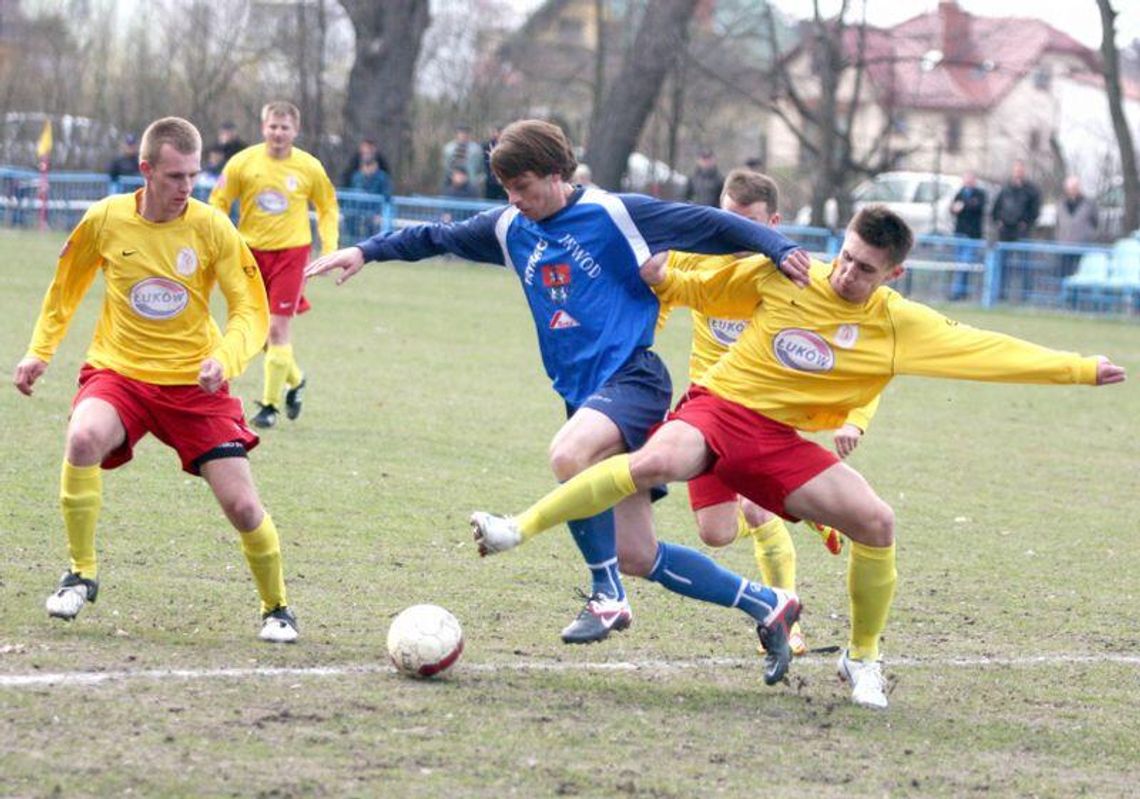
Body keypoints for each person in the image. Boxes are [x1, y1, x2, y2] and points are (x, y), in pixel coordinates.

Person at [469, 205, 1125, 708]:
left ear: (893, 274)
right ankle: (516, 527)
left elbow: (988, 350)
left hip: (780, 443)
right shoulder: (789, 273)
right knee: (654, 463)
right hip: (720, 409)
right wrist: (665, 271)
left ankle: (861, 658)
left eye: (865, 268)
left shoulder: (901, 325)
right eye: (845, 255)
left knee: (877, 522)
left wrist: (1078, 369)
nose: (845, 272)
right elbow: (707, 281)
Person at [307, 119, 812, 651]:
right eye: (506, 190)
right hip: (585, 398)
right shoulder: (510, 227)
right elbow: (434, 236)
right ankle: (769, 603)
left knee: (568, 455)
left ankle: (606, 595)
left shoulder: (615, 214)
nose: (514, 199)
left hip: (632, 379)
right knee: (639, 555)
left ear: (555, 174)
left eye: (522, 188)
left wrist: (777, 248)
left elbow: (711, 223)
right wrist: (367, 251)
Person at [12, 116, 299, 643]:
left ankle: (276, 606)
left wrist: (226, 360)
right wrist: (39, 352)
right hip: (120, 373)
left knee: (242, 505)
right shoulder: (105, 219)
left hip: (195, 384)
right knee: (82, 436)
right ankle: (81, 572)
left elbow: (250, 311)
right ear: (145, 171)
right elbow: (64, 290)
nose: (186, 188)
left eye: (193, 175)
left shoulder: (212, 226)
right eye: (174, 177)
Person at [657, 168, 867, 659]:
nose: (734, 234)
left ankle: (785, 614)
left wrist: (852, 413)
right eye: (726, 220)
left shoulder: (795, 271)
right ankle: (810, 513)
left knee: (756, 504)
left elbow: (856, 341)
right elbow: (661, 291)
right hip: (705, 404)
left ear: (773, 220)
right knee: (717, 533)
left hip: (762, 405)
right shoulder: (699, 254)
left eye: (747, 223)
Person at [209, 100, 340, 430]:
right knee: (263, 334)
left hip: (292, 254)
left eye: (284, 128)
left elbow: (327, 207)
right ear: (263, 127)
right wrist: (218, 240)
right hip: (249, 254)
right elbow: (218, 202)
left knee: (278, 329)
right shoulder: (243, 163)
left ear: (295, 131)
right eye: (273, 126)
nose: (278, 133)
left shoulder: (309, 167)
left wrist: (330, 249)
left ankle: (268, 406)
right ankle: (296, 380)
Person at [949, 171, 987, 300]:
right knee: (958, 264)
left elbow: (977, 207)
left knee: (966, 263)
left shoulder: (980, 194)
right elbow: (952, 208)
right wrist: (954, 208)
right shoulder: (960, 193)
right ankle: (957, 292)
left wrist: (964, 206)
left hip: (972, 235)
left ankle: (961, 292)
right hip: (960, 233)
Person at [1055, 175, 1100, 276]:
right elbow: (1058, 222)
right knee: (1064, 274)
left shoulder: (1089, 204)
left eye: (1074, 188)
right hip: (1064, 246)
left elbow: (1095, 222)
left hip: (1082, 246)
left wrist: (1089, 235)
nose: (1072, 190)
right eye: (1070, 188)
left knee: (1080, 274)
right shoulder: (1061, 204)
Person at [992, 160, 1041, 243]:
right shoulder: (1005, 188)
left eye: (1020, 171)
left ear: (1024, 172)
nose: (1018, 173)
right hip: (1004, 230)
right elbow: (997, 206)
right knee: (1004, 254)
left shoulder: (1031, 190)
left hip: (1021, 230)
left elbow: (1035, 210)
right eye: (1016, 171)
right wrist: (998, 220)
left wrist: (1026, 222)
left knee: (1021, 254)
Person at [441, 124, 483, 193]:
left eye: (466, 133)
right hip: (451, 181)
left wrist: (478, 180)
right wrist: (453, 177)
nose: (463, 135)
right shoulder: (448, 148)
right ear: (457, 134)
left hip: (470, 181)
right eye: (461, 133)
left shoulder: (476, 149)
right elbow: (446, 166)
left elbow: (481, 167)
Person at [483, 125, 506, 201]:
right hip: (491, 180)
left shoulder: (508, 146)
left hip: (505, 179)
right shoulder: (487, 145)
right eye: (498, 132)